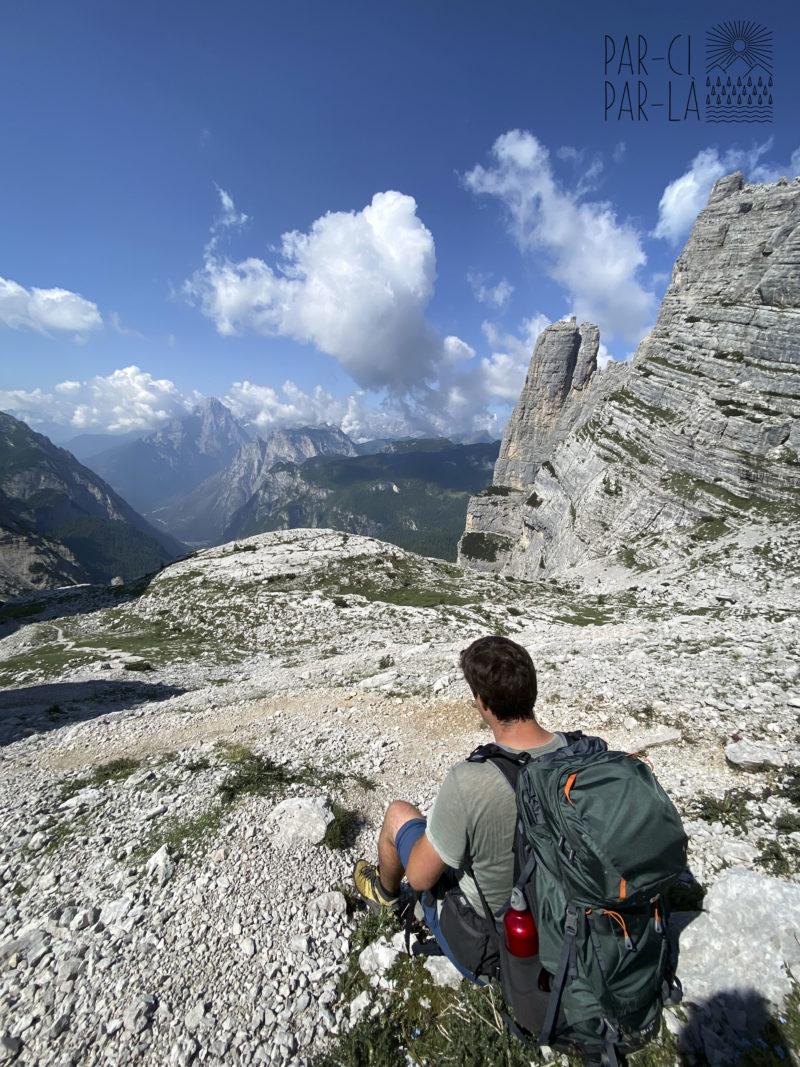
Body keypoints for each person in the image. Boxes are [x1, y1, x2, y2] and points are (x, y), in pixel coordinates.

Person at [353, 634, 566, 979]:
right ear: (533, 690)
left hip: (494, 939)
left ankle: (383, 893)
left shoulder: (470, 780)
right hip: (570, 918)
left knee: (398, 814)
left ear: (482, 704)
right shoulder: (579, 754)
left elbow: (421, 877)